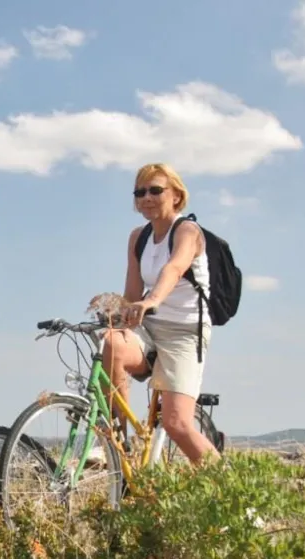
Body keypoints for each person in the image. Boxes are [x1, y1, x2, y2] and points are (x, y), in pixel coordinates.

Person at [101, 163, 221, 465]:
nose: (146, 197)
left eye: (156, 190)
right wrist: (119, 314)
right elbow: (131, 294)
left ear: (177, 196)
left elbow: (175, 268)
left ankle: (235, 499)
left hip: (184, 333)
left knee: (176, 423)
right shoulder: (137, 238)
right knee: (111, 343)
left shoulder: (188, 231)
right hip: (149, 328)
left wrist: (151, 300)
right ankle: (119, 448)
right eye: (140, 192)